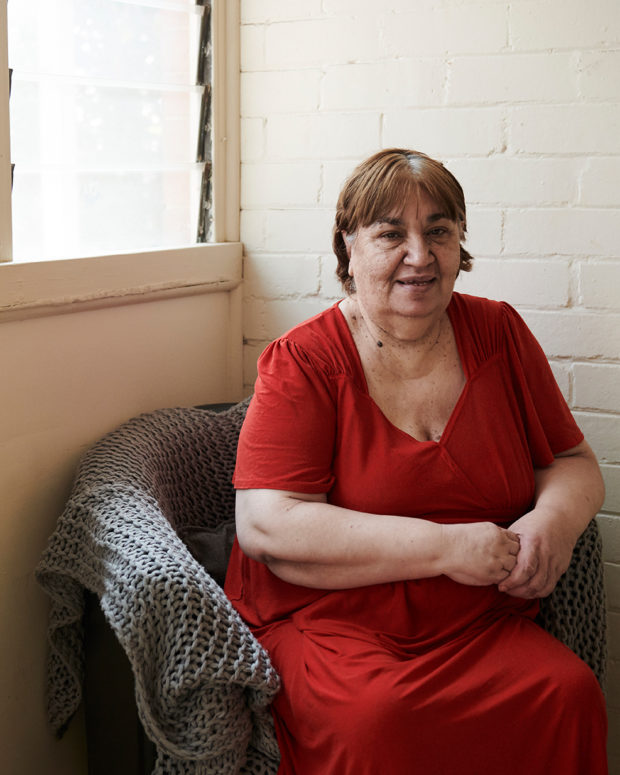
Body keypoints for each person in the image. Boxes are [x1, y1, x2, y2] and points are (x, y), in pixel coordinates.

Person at [224, 148, 608, 774]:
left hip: (476, 621)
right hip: (334, 626)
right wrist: (449, 549)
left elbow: (572, 462)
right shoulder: (303, 360)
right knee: (380, 722)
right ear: (348, 249)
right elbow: (268, 524)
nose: (420, 256)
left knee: (568, 694)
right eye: (391, 234)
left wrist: (552, 525)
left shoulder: (500, 334)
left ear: (461, 244)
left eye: (439, 232)